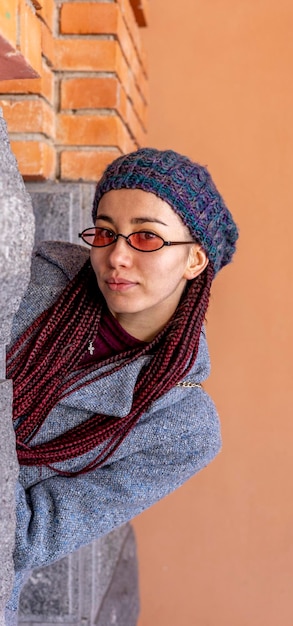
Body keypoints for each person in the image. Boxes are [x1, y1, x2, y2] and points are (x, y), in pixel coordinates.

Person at [5, 147, 238, 623]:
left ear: (195, 260)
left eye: (147, 237)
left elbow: (26, 537)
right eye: (107, 232)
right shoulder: (36, 274)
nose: (117, 256)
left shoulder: (183, 428)